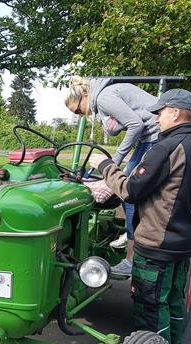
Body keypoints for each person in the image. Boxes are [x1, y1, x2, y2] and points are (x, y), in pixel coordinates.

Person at [89, 88, 191, 344]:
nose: (156, 117)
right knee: (173, 303)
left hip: (156, 243)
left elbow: (132, 189)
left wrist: (105, 167)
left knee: (149, 309)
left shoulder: (168, 147)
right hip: (183, 242)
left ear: (174, 112)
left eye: (160, 112)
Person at [65, 76, 160, 276]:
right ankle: (132, 232)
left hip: (154, 137)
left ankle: (131, 256)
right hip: (149, 136)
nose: (81, 115)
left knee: (129, 193)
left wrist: (115, 160)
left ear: (84, 95)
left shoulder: (104, 98)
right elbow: (121, 126)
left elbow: (135, 125)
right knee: (127, 192)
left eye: (78, 110)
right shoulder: (106, 97)